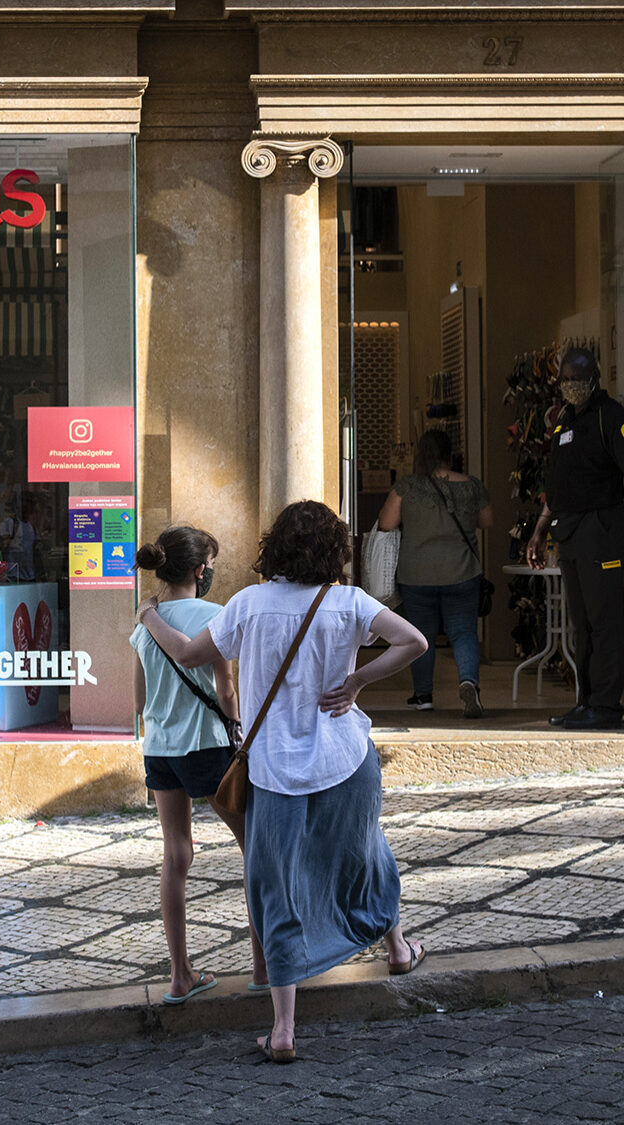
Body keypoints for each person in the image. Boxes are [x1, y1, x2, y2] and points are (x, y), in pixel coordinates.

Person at [138, 500, 430, 1063]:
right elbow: (413, 641)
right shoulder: (347, 601)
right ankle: (397, 949)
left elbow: (191, 653)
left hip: (274, 771)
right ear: (333, 549)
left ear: (275, 546)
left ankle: (284, 1030)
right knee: (365, 856)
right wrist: (358, 681)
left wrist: (149, 617)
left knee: (273, 886)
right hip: (345, 761)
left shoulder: (248, 604)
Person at [127, 526, 262, 1005]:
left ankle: (180, 974)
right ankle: (264, 968)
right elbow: (226, 690)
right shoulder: (215, 615)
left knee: (176, 855)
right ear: (200, 571)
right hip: (207, 747)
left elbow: (140, 700)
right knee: (255, 849)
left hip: (161, 751)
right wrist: (238, 725)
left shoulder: (147, 622)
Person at [523, 347, 624, 728]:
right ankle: (586, 702)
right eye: (565, 380)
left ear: (594, 379)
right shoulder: (562, 422)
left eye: (577, 380)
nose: (571, 387)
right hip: (567, 531)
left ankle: (605, 706)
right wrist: (538, 531)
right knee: (581, 622)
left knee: (604, 620)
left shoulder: (610, 415)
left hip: (600, 530)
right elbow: (557, 487)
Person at [378, 430, 495, 717]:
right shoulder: (472, 486)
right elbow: (488, 521)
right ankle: (469, 682)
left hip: (416, 575)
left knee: (421, 635)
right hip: (462, 572)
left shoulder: (406, 487)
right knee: (464, 632)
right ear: (450, 452)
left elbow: (387, 523)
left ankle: (423, 696)